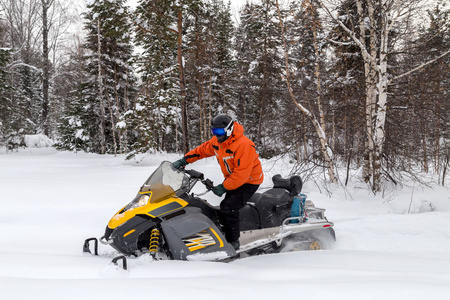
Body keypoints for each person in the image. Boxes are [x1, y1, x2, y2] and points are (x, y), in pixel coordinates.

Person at [172, 114, 264, 250]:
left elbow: (242, 175)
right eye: (214, 132)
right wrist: (184, 160)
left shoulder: (244, 145)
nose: (216, 135)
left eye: (219, 131)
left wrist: (223, 187)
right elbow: (201, 151)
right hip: (233, 179)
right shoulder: (217, 142)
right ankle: (222, 233)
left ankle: (233, 242)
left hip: (250, 181)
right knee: (219, 208)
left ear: (229, 129)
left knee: (229, 206)